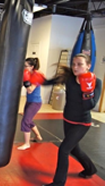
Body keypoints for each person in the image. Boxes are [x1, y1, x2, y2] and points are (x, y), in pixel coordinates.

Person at [39, 53, 102, 186]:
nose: (75, 67)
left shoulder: (97, 81)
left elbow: (89, 106)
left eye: (80, 64)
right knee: (75, 149)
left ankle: (58, 183)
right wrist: (35, 78)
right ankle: (91, 169)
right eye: (73, 64)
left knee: (64, 149)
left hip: (82, 123)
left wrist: (87, 90)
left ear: (88, 66)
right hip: (68, 119)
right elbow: (49, 82)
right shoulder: (69, 78)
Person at [17, 57, 43, 150]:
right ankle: (38, 136)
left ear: (32, 66)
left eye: (26, 66)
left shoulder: (36, 76)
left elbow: (30, 90)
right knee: (28, 120)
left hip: (35, 103)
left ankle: (27, 144)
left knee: (25, 121)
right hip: (30, 101)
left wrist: (26, 81)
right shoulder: (29, 74)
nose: (24, 67)